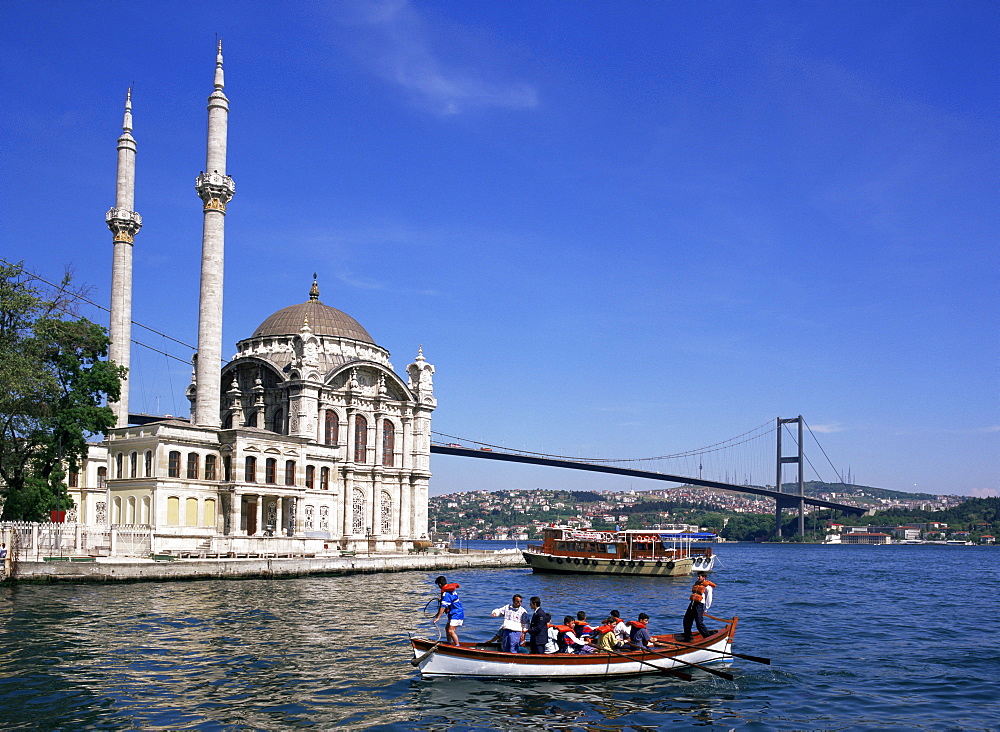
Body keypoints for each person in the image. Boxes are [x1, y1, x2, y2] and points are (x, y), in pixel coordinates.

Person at [682, 571, 717, 642]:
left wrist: (706, 609)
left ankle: (707, 637)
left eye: (699, 576)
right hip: (692, 604)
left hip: (700, 605)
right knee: (686, 620)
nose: (697, 578)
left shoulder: (708, 587)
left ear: (704, 577)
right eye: (697, 576)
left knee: (699, 622)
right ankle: (688, 637)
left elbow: (709, 598)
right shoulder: (697, 584)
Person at [431, 575, 465, 645]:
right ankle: (449, 643)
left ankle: (457, 646)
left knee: (450, 630)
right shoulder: (451, 591)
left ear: (440, 584)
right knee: (447, 629)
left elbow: (443, 607)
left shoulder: (446, 594)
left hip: (457, 613)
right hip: (454, 613)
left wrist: (438, 618)